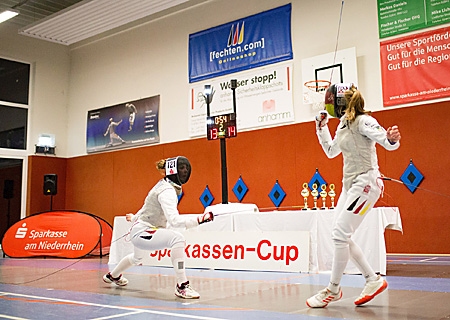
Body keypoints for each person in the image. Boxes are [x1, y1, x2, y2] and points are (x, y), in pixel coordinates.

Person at [306, 83, 401, 308]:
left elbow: (387, 143)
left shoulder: (363, 121)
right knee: (341, 235)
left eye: (331, 102)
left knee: (340, 233)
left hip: (366, 183)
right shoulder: (342, 125)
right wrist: (321, 128)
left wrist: (392, 138)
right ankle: (372, 280)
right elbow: (331, 151)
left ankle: (333, 289)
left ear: (340, 103)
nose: (328, 106)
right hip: (350, 186)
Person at [102, 156, 214, 299]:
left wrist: (134, 217)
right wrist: (199, 220)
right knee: (177, 239)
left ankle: (113, 276)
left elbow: (147, 206)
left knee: (137, 258)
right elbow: (174, 220)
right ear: (173, 171)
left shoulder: (163, 185)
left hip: (142, 229)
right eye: (181, 168)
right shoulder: (167, 191)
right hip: (143, 231)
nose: (185, 171)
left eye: (186, 167)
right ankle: (182, 286)